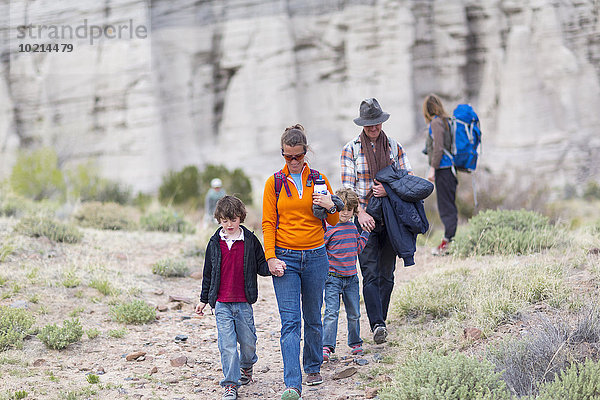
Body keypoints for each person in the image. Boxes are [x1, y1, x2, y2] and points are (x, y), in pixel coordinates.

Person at [262, 124, 339, 400]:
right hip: (286, 258)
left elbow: (332, 220)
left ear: (306, 152)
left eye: (298, 156)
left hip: (317, 256)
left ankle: (313, 366)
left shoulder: (318, 178)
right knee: (290, 322)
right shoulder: (274, 183)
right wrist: (270, 257)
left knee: (313, 316)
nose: (293, 161)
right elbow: (268, 223)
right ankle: (293, 384)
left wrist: (330, 204)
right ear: (282, 154)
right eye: (288, 156)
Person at [340, 98, 412, 344]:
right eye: (369, 124)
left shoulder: (394, 146)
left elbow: (408, 180)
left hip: (391, 217)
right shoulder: (350, 149)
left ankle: (381, 317)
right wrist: (360, 213)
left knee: (388, 274)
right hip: (364, 219)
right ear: (362, 125)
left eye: (376, 123)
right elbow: (347, 189)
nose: (373, 128)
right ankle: (377, 324)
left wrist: (388, 191)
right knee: (370, 273)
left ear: (382, 121)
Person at [195, 195, 270, 400]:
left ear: (241, 218)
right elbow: (208, 273)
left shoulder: (250, 240)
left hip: (244, 301)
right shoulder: (214, 243)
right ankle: (230, 384)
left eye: (234, 220)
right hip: (221, 304)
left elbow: (262, 265)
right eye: (225, 220)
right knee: (227, 345)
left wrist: (274, 267)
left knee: (248, 343)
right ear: (219, 219)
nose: (229, 224)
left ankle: (247, 365)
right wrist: (203, 300)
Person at [322, 188, 369, 362]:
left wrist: (366, 234)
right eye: (342, 209)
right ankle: (326, 346)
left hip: (351, 279)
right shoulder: (329, 227)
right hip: (332, 278)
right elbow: (323, 251)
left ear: (354, 211)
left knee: (354, 312)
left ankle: (355, 343)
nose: (345, 213)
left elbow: (357, 249)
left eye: (349, 210)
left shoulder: (353, 228)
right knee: (331, 313)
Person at [423, 94, 458, 255]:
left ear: (427, 110)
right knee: (448, 205)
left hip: (443, 170)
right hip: (449, 170)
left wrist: (432, 168)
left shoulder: (436, 123)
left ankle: (448, 244)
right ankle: (450, 241)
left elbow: (438, 148)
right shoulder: (445, 121)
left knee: (446, 208)